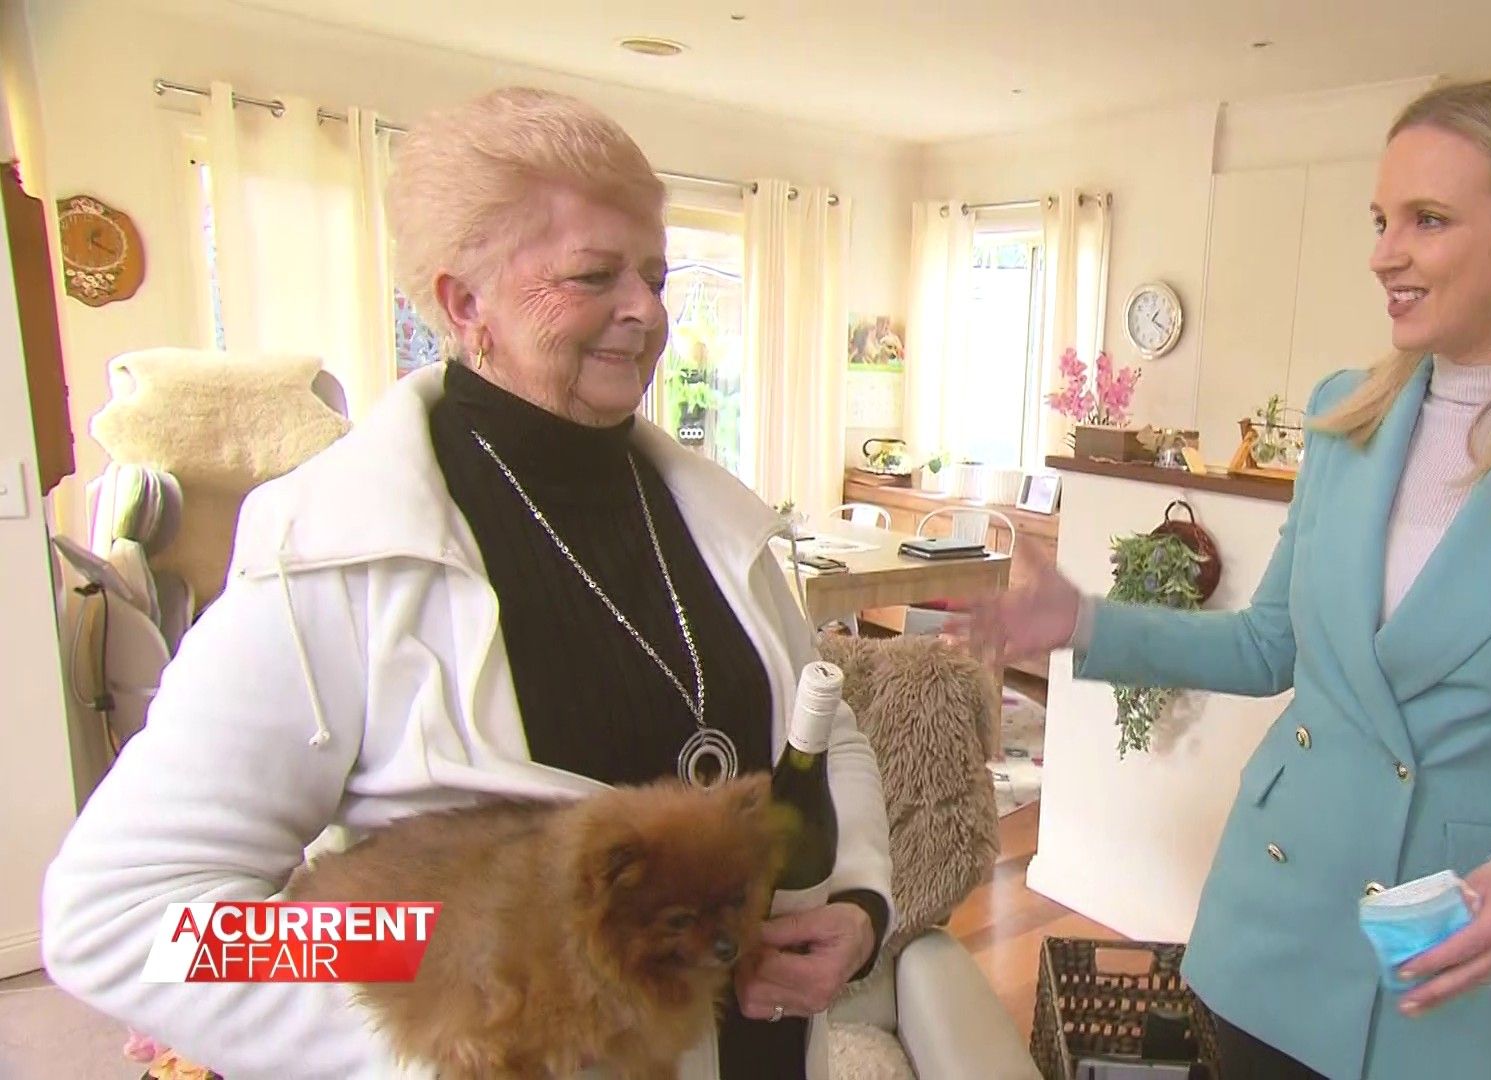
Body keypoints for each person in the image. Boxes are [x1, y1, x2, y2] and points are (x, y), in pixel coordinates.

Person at [40, 86, 892, 1080]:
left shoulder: (724, 521)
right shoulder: (330, 552)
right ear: (463, 303)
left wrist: (857, 904)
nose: (649, 311)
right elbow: (125, 915)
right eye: (594, 275)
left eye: (656, 276)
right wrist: (465, 1008)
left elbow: (824, 736)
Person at [966, 71, 1491, 1080]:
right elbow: (1271, 645)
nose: (1385, 253)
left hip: (1451, 961)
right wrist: (1084, 621)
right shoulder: (1349, 416)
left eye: (1428, 219)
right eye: (1382, 220)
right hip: (1272, 923)